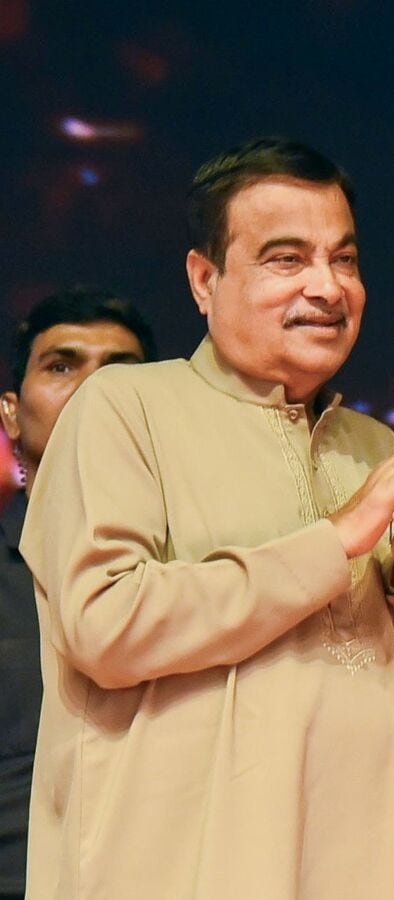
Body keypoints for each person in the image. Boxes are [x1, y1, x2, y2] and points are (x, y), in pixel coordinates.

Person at [22, 138, 394, 899]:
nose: (328, 287)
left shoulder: (373, 450)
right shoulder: (124, 410)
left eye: (344, 259)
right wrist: (333, 543)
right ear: (204, 280)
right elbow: (103, 625)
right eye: (287, 259)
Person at [0, 288, 155, 900]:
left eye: (120, 372)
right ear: (10, 413)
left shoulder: (214, 571)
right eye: (62, 366)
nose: (94, 389)